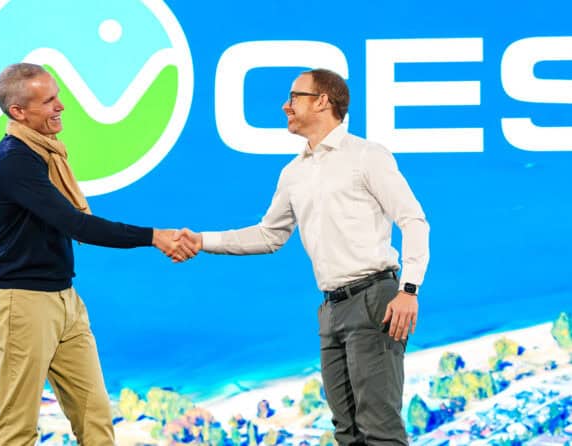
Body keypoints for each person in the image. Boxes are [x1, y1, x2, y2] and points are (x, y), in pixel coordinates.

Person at [176, 68, 429, 445]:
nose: (285, 106)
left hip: (375, 299)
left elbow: (414, 220)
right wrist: (202, 240)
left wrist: (408, 290)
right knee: (346, 431)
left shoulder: (366, 156)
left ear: (323, 101)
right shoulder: (294, 173)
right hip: (331, 309)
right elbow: (269, 235)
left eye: (294, 97)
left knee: (379, 429)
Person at [0, 62, 195, 445]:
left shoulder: (46, 153)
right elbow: (75, 224)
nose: (61, 106)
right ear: (18, 112)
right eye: (48, 101)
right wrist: (154, 236)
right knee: (17, 430)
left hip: (64, 299)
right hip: (23, 303)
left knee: (96, 419)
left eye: (57, 96)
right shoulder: (15, 158)